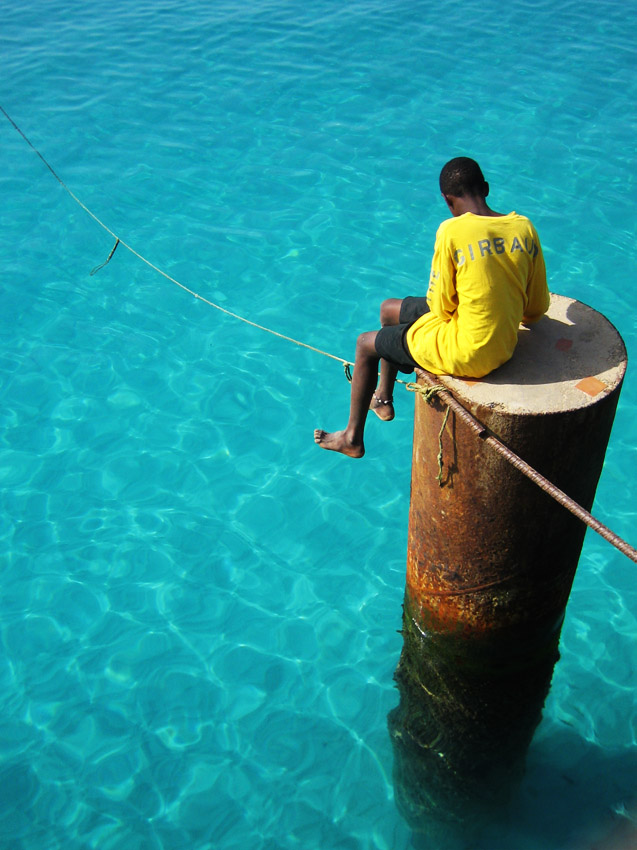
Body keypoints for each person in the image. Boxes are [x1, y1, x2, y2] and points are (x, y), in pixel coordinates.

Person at [314, 156, 550, 458]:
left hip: (470, 352)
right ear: (486, 188)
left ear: (447, 201)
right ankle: (383, 397)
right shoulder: (523, 227)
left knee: (364, 344)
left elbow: (440, 308)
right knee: (389, 309)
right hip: (500, 341)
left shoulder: (451, 231)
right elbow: (536, 308)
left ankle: (351, 437)